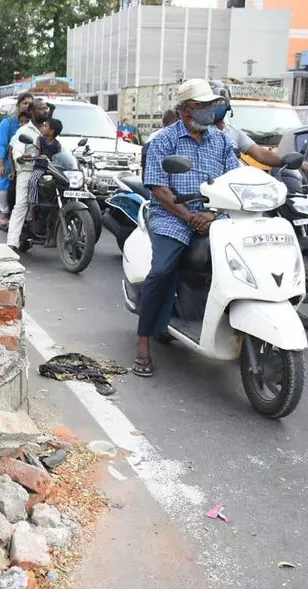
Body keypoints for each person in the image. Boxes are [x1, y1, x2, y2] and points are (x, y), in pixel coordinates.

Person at [132, 79, 240, 378]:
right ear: (186, 110)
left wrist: (214, 212)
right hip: (173, 216)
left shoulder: (221, 141)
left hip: (215, 216)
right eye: (203, 106)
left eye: (210, 105)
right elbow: (158, 187)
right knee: (161, 271)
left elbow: (236, 179)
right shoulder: (164, 140)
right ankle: (143, 341)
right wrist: (189, 217)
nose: (210, 111)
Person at [8, 99, 51, 252]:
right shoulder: (24, 131)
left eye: (46, 108)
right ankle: (12, 242)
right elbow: (17, 151)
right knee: (21, 204)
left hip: (49, 170)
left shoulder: (50, 129)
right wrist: (21, 157)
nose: (45, 111)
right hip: (28, 170)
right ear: (32, 112)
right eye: (41, 109)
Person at [0, 92, 34, 231]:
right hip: (11, 161)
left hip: (32, 162)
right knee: (2, 184)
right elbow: (2, 145)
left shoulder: (36, 124)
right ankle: (5, 213)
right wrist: (2, 165)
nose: (28, 106)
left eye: (30, 104)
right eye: (25, 103)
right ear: (18, 105)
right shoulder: (8, 123)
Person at [25, 117, 64, 219]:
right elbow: (37, 153)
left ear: (51, 131)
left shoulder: (57, 144)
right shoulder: (40, 140)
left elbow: (59, 157)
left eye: (45, 126)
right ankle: (31, 207)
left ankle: (59, 206)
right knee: (33, 180)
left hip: (51, 169)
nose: (43, 127)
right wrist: (39, 156)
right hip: (40, 167)